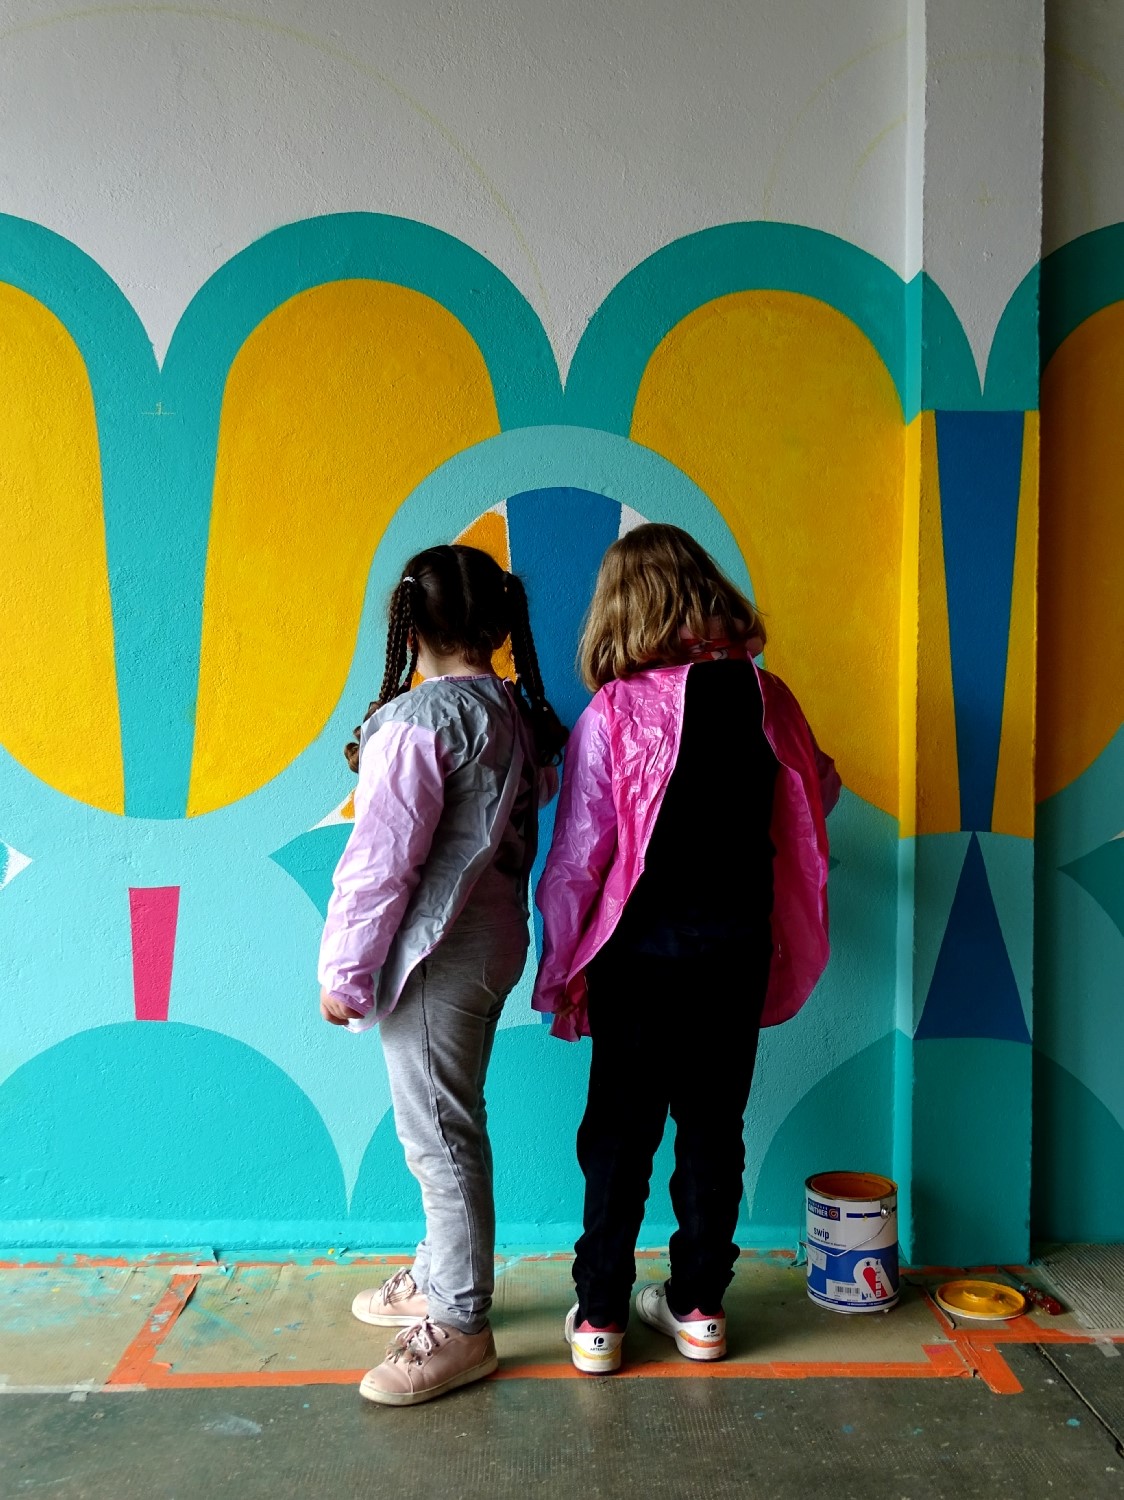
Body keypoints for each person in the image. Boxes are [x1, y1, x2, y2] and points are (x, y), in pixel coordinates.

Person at [532, 523, 840, 1374]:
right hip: (734, 954)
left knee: (618, 1136)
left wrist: (560, 965)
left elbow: (579, 857)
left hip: (640, 965)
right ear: (705, 592)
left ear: (621, 613)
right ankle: (701, 1307)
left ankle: (599, 1318)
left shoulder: (613, 713)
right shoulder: (767, 697)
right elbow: (819, 792)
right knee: (713, 1129)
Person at [319, 544, 566, 1406]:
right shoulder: (512, 711)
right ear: (500, 624)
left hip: (434, 951)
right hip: (495, 940)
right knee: (445, 1117)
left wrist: (346, 972)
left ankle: (461, 1323)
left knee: (439, 1136)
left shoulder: (419, 722)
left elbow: (380, 863)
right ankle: (437, 1273)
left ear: (409, 624)